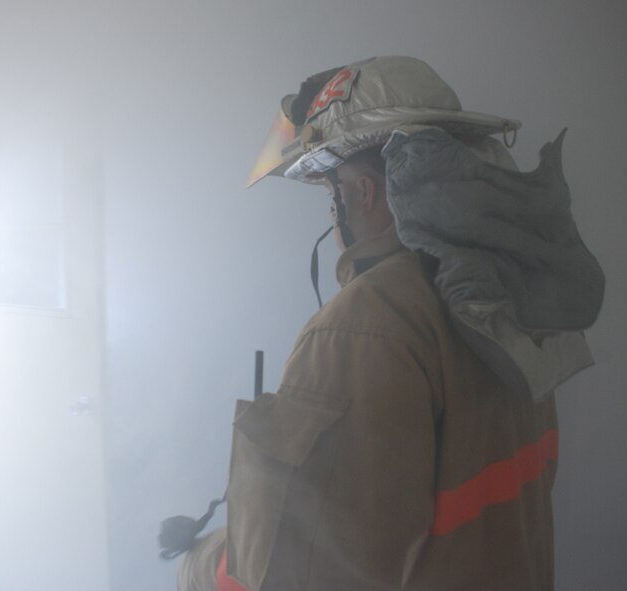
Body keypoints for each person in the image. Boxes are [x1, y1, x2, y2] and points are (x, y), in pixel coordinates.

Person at [175, 56, 603, 591]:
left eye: (332, 198)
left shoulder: (362, 329)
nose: (333, 220)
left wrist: (206, 567)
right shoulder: (507, 297)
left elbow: (309, 573)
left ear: (363, 194)